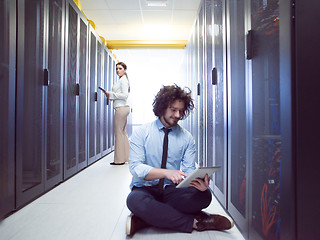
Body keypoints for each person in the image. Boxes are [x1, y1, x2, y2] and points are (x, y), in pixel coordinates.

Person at [126, 85, 234, 237]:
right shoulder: (142, 132)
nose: (178, 115)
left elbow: (189, 169)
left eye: (181, 111)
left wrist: (198, 184)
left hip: (172, 191)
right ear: (162, 107)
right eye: (173, 109)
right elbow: (136, 168)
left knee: (204, 196)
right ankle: (197, 222)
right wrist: (167, 173)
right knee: (134, 201)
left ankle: (145, 219)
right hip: (145, 189)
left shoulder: (187, 138)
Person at [104, 62, 130, 165]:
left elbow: (124, 95)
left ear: (124, 70)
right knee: (123, 133)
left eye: (120, 68)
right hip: (124, 107)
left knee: (118, 133)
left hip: (121, 108)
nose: (118, 70)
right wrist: (110, 95)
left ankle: (119, 160)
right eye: (117, 69)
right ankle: (126, 158)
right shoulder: (122, 80)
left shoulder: (123, 81)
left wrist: (111, 94)